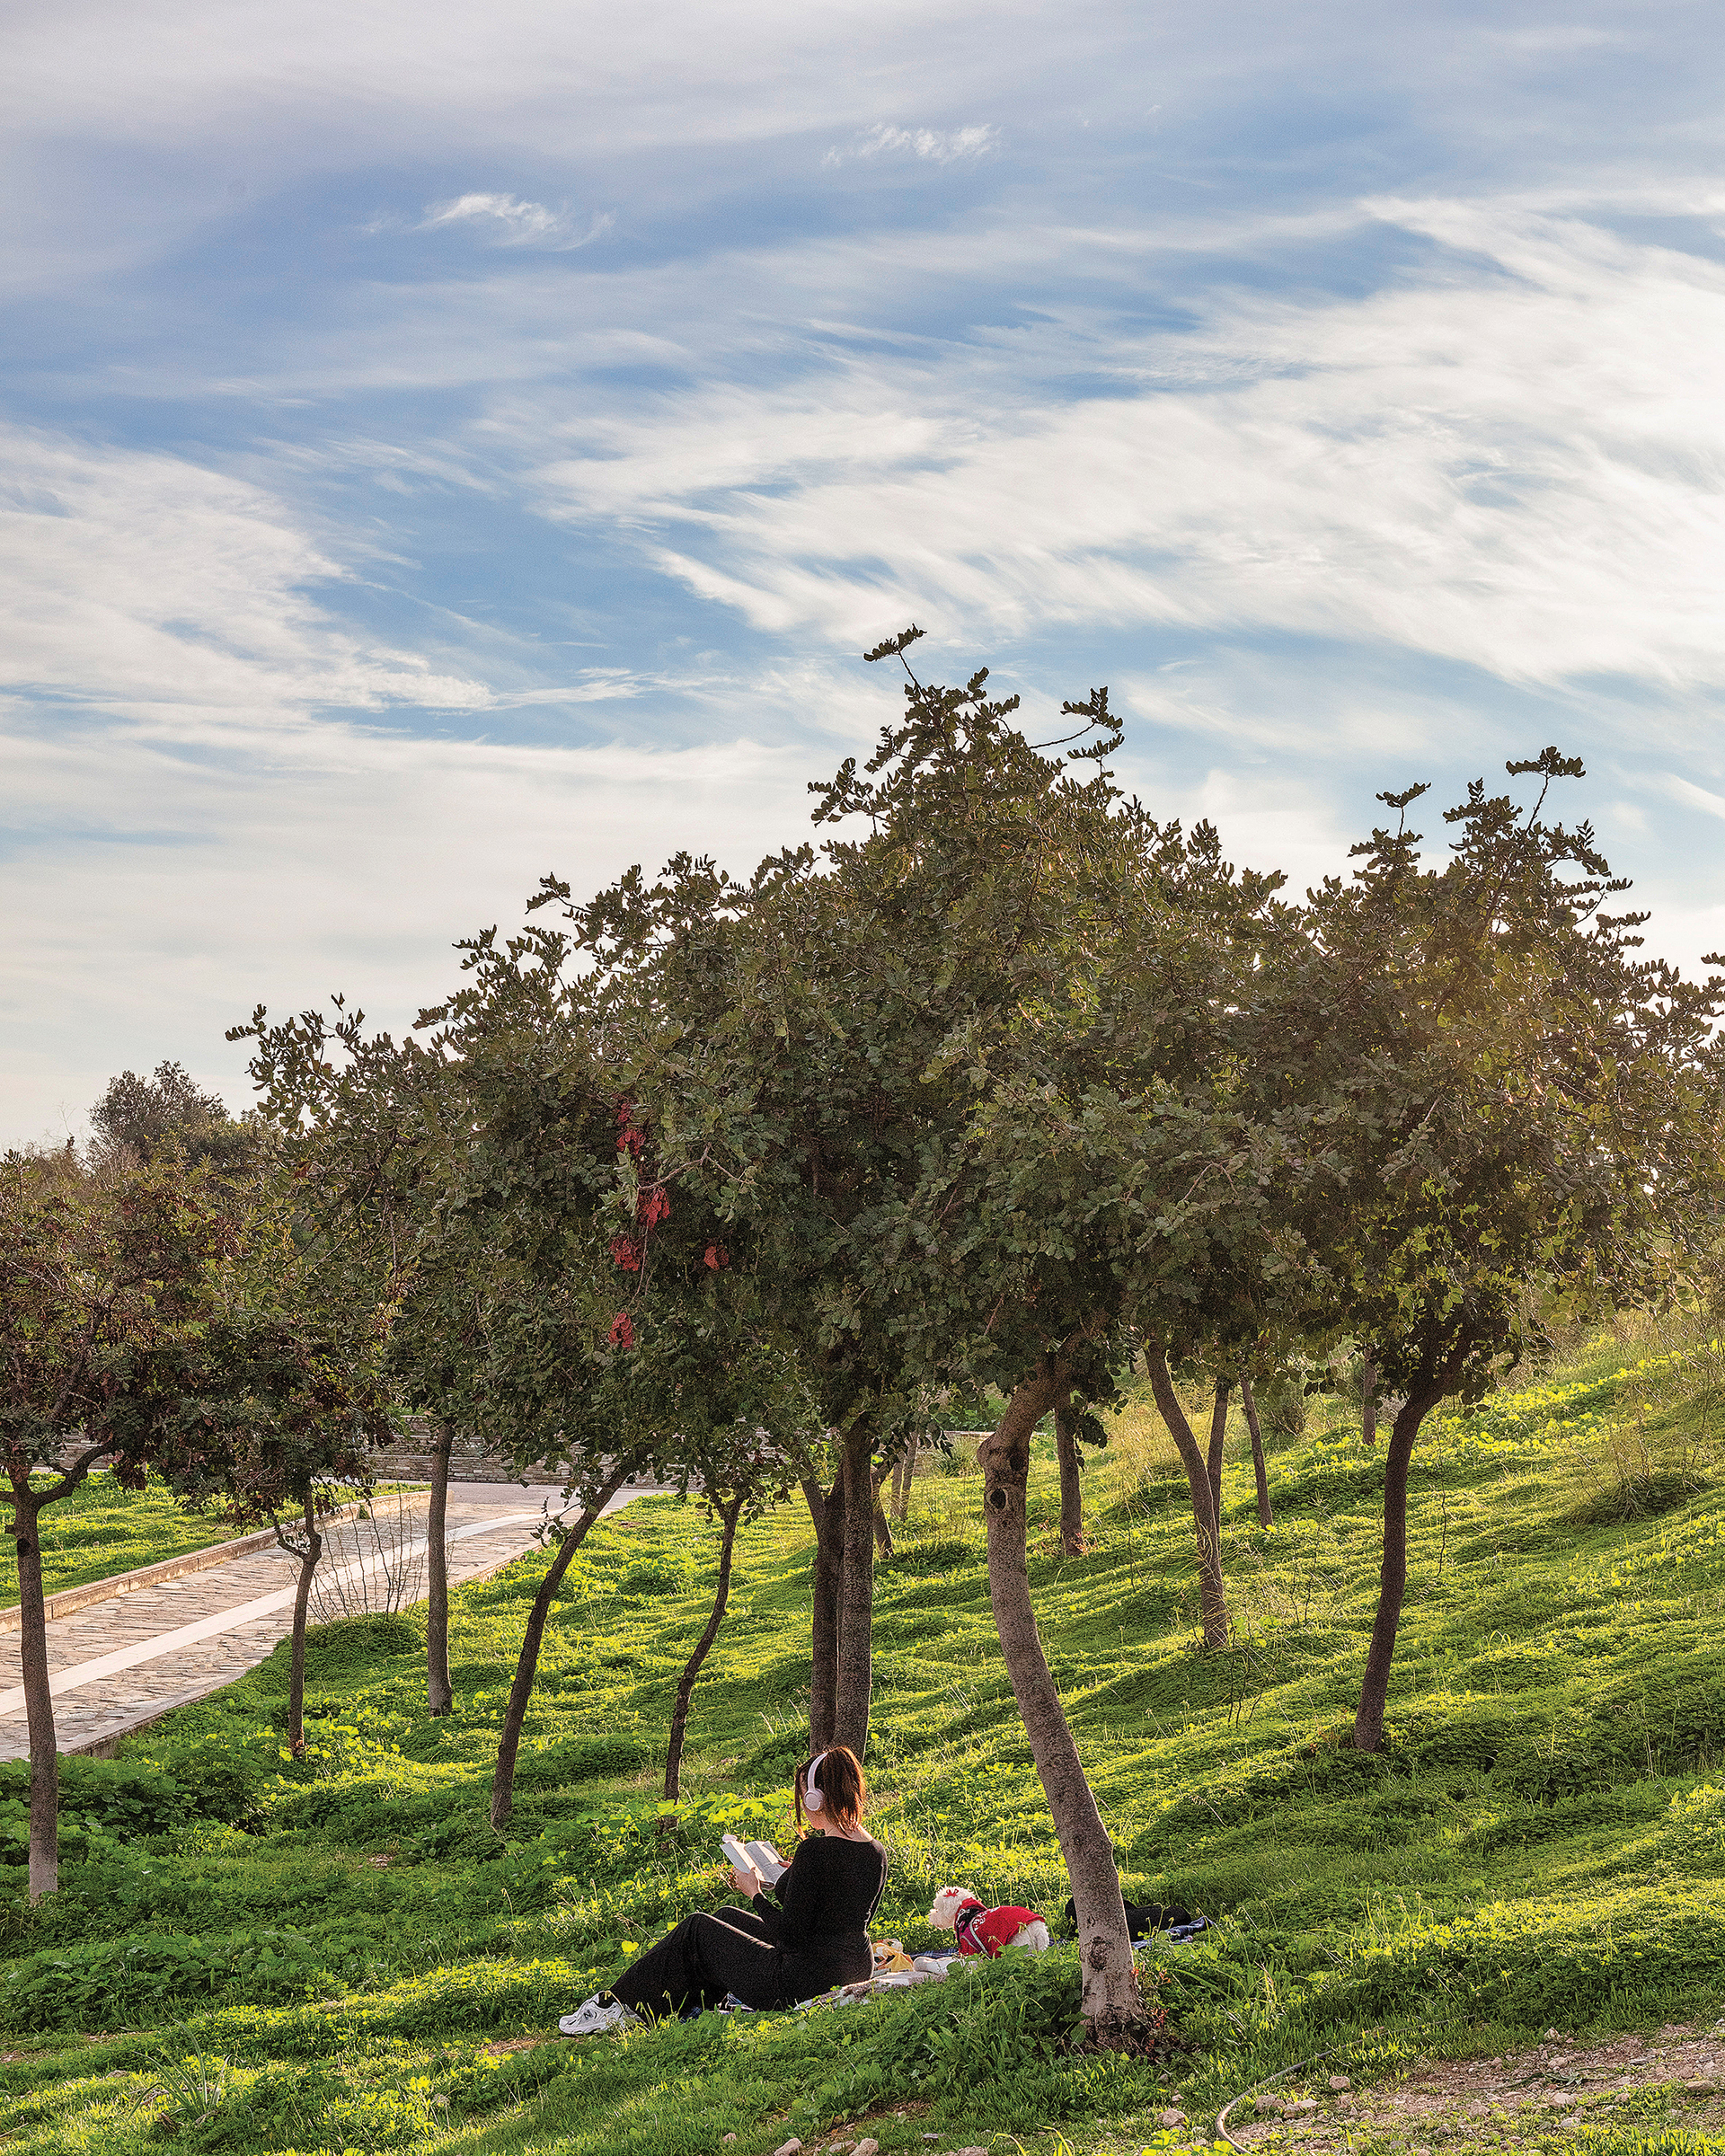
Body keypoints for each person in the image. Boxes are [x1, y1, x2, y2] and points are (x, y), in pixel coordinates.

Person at [558, 1745, 887, 2036]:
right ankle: (684, 2004)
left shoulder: (816, 1852)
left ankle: (613, 2005)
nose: (802, 1802)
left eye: (804, 1795)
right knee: (726, 1917)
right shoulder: (874, 1850)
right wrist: (788, 1878)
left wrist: (755, 1892)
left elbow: (792, 1937)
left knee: (698, 1927)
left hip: (802, 1981)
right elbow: (835, 1908)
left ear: (817, 1797)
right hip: (853, 1966)